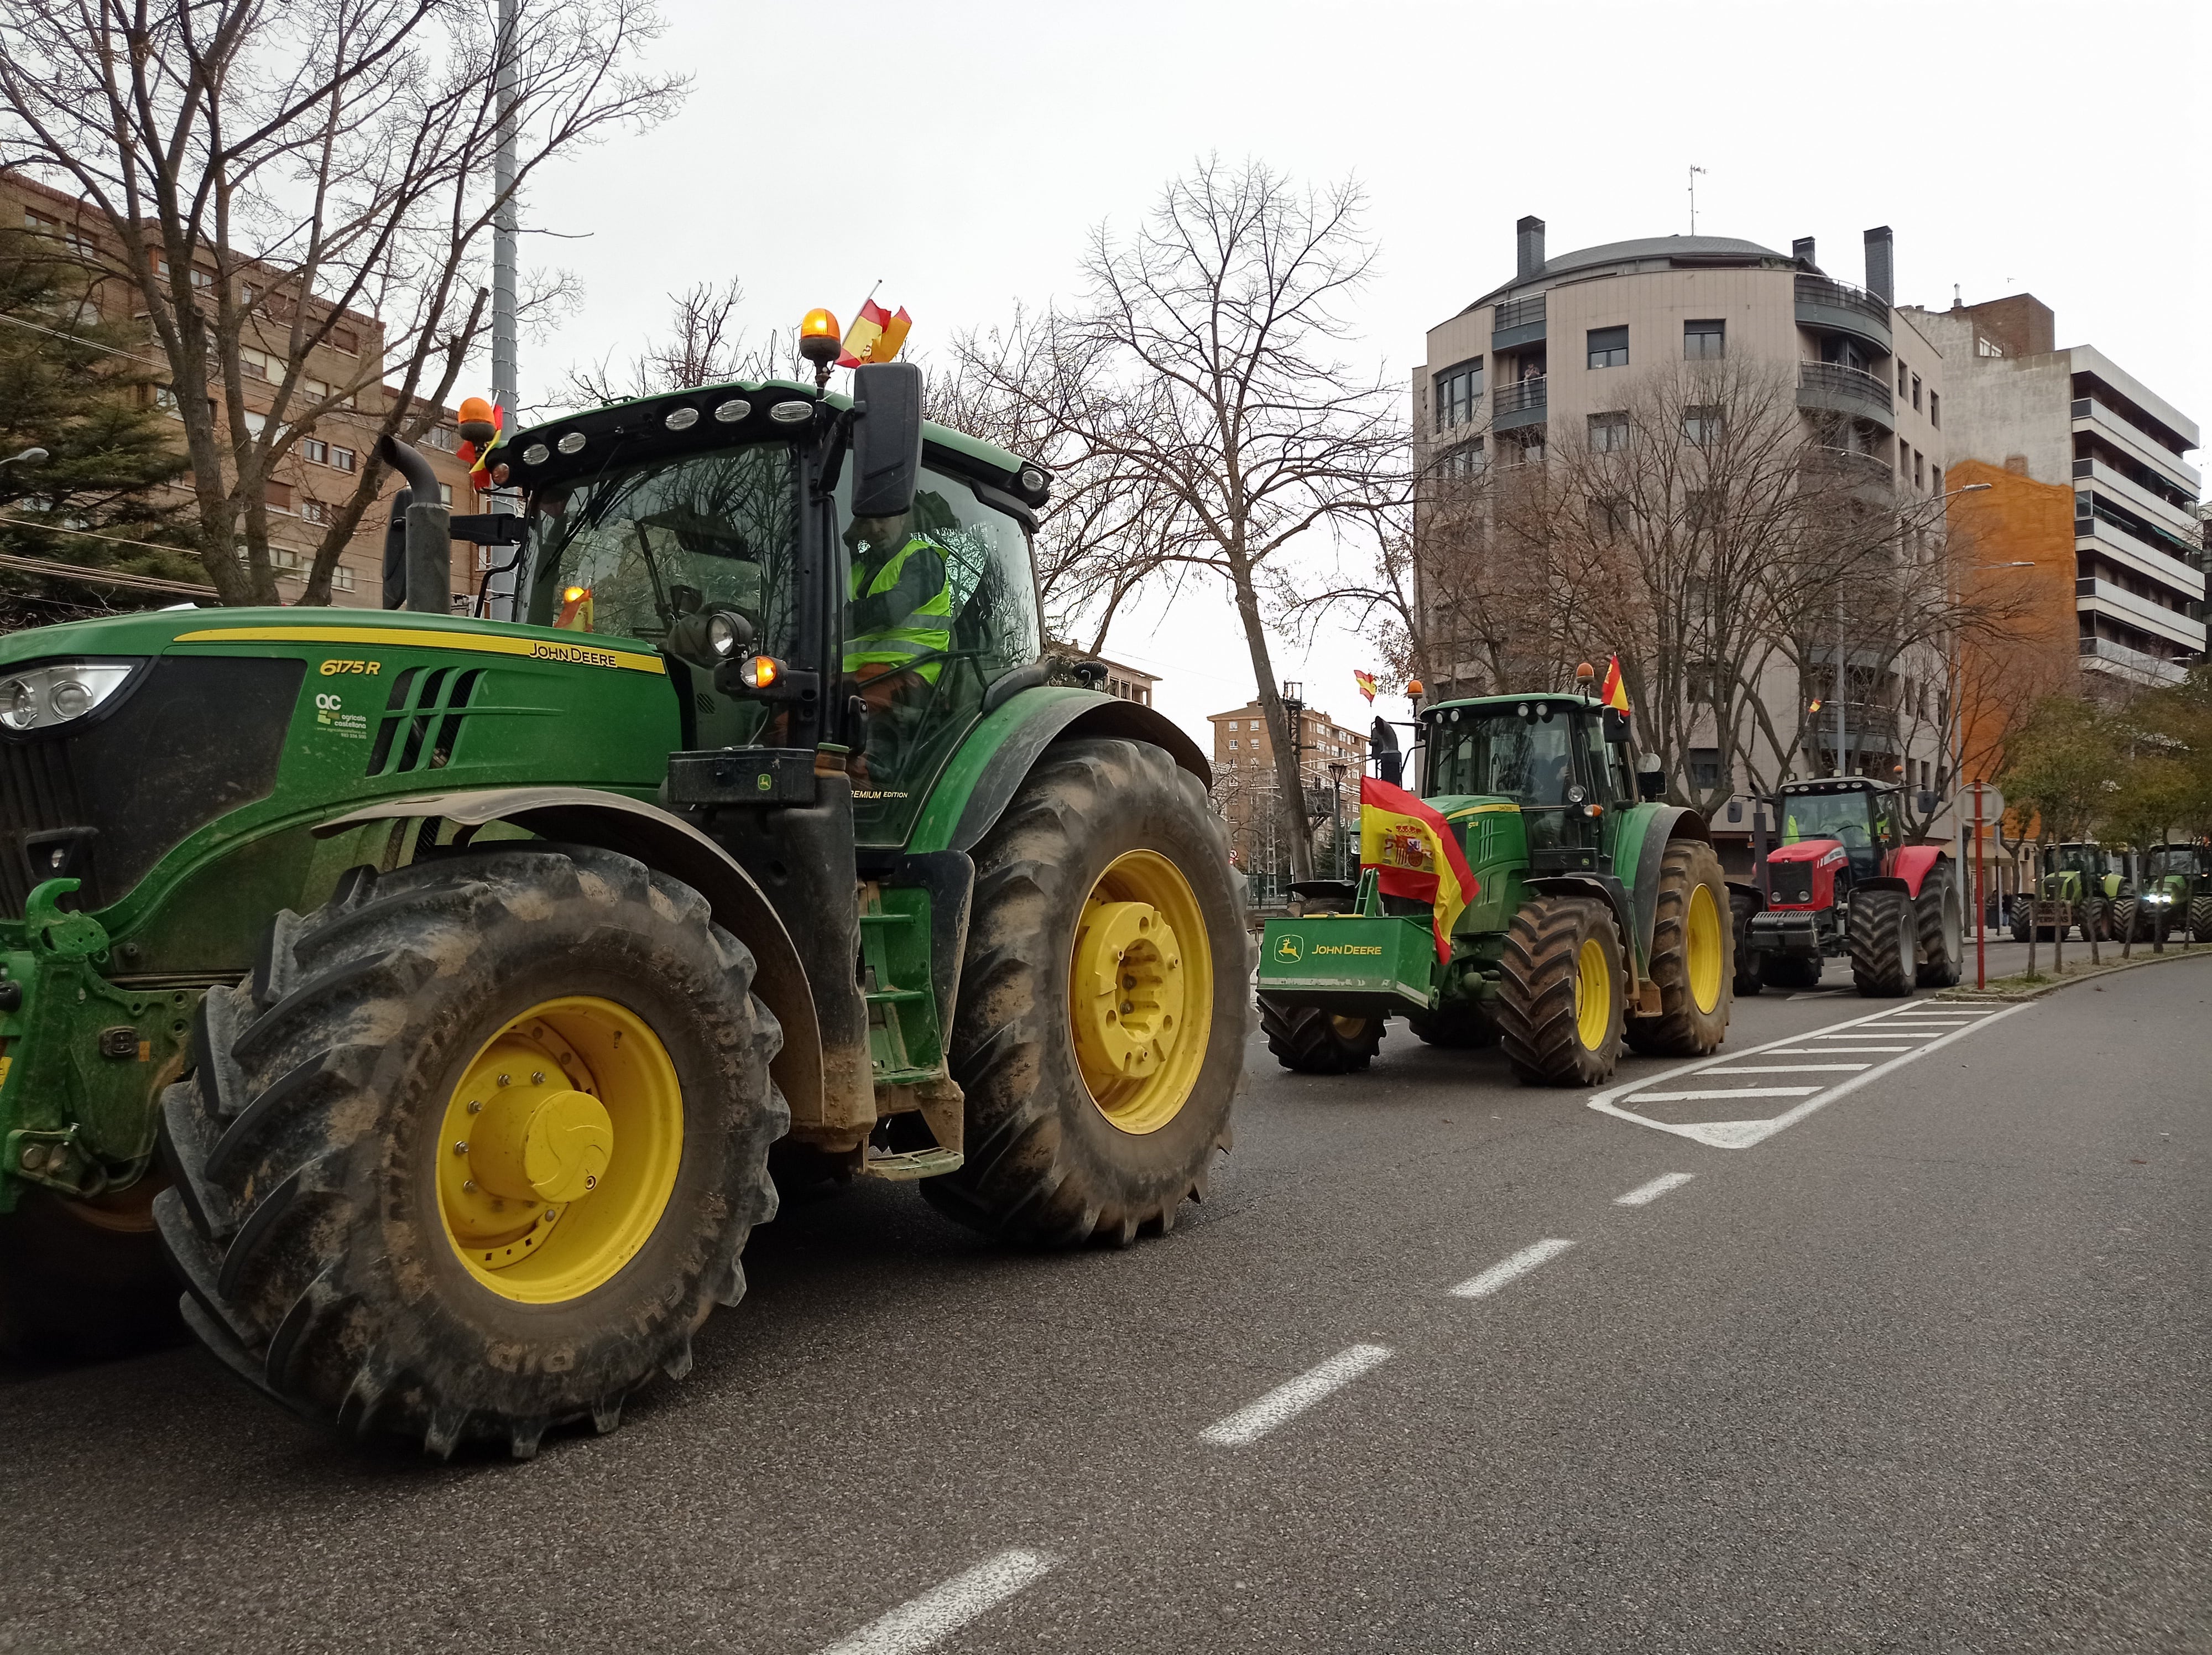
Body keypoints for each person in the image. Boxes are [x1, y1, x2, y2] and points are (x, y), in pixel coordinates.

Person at [843, 509, 952, 785]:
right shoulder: (860, 568)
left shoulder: (923, 561)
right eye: (867, 520)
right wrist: (847, 540)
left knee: (844, 732)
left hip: (907, 676)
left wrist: (834, 619)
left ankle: (857, 807)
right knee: (786, 722)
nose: (876, 528)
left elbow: (891, 610)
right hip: (855, 676)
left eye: (883, 518)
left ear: (903, 518)